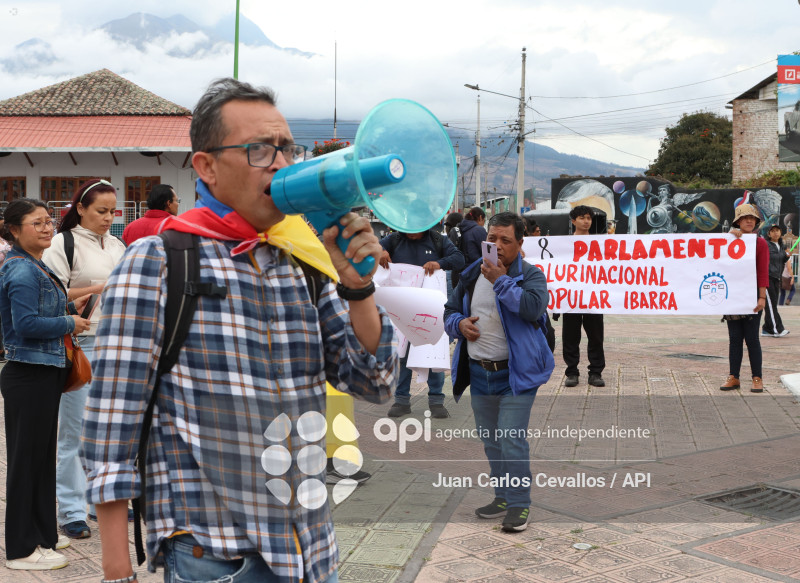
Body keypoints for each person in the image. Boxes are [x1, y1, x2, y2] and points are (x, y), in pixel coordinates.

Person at [81, 78, 396, 583]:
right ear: (206, 166)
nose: (280, 162)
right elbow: (112, 420)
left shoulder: (303, 263)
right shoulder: (160, 261)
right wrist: (117, 565)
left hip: (312, 551)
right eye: (259, 150)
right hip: (216, 555)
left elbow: (373, 382)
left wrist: (359, 289)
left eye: (287, 148)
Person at [444, 212, 553, 533]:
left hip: (516, 375)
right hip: (479, 373)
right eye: (492, 239)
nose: (498, 245)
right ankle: (503, 497)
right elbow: (449, 311)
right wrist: (459, 325)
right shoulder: (470, 274)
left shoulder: (531, 275)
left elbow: (532, 308)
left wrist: (501, 280)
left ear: (520, 243)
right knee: (491, 441)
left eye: (506, 240)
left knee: (510, 438)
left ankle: (519, 504)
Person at [0, 199, 91, 570]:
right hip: (29, 373)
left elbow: (42, 311)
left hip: (44, 371)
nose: (46, 227)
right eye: (36, 223)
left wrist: (69, 310)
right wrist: (70, 323)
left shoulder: (35, 264)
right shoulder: (21, 269)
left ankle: (42, 534)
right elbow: (25, 325)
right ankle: (21, 549)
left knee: (40, 458)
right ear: (14, 230)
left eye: (48, 220)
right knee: (26, 462)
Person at [42, 179, 127, 541]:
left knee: (109, 431)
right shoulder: (63, 243)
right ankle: (72, 510)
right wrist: (96, 289)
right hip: (82, 343)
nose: (108, 218)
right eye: (101, 211)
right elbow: (49, 293)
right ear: (80, 209)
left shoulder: (118, 245)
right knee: (74, 432)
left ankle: (100, 500)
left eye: (113, 212)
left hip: (117, 345)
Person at [379, 226, 464, 418]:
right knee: (401, 354)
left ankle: (436, 401)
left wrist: (439, 263)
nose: (411, 231)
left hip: (429, 308)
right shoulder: (394, 239)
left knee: (432, 351)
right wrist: (379, 251)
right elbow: (368, 250)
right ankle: (401, 400)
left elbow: (459, 259)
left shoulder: (438, 240)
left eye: (416, 227)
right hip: (401, 308)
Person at [720, 204, 769, 393]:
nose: (749, 221)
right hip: (732, 295)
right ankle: (734, 377)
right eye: (744, 218)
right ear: (738, 222)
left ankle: (757, 378)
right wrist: (729, 237)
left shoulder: (760, 243)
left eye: (752, 218)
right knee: (734, 338)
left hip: (752, 296)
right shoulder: (728, 241)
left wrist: (762, 297)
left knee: (752, 338)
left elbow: (763, 271)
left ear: (756, 222)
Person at [562, 205, 606, 387]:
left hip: (593, 298)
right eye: (582, 218)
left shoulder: (600, 244)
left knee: (596, 336)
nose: (586, 221)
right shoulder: (563, 244)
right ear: (573, 221)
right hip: (570, 298)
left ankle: (595, 372)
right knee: (570, 337)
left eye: (588, 218)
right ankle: (572, 372)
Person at [762, 225, 790, 337]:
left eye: (777, 230)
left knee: (772, 304)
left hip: (777, 278)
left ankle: (767, 329)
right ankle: (777, 329)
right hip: (767, 278)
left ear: (780, 232)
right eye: (772, 231)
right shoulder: (765, 244)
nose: (775, 233)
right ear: (769, 234)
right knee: (771, 305)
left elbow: (781, 260)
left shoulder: (782, 246)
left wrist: (786, 256)